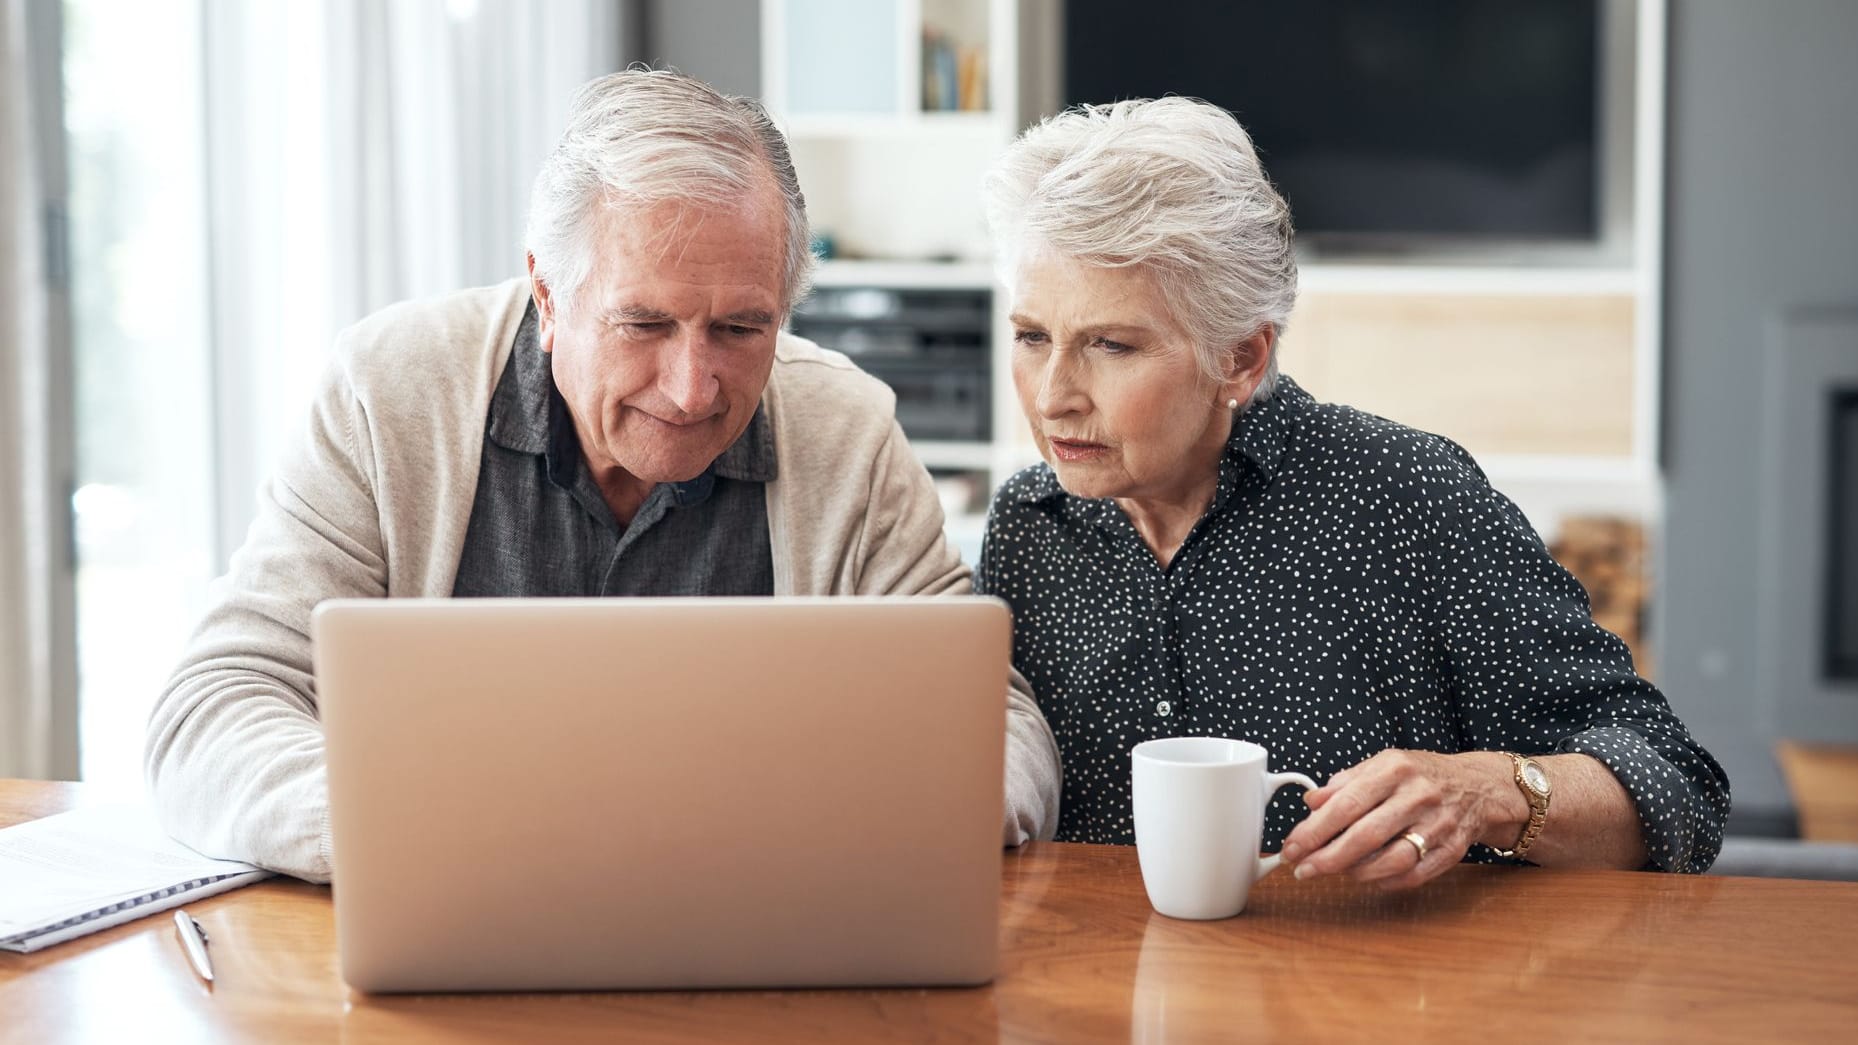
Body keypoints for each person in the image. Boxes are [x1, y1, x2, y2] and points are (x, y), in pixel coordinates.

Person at [144, 70, 1061, 882]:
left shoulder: (846, 432)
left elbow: (993, 724)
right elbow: (213, 709)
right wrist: (428, 834)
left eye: (742, 330)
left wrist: (884, 822)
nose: (693, 385)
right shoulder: (389, 394)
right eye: (646, 325)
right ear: (549, 297)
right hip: (454, 921)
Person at [975, 97, 1728, 887]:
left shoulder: (1410, 500)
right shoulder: (1030, 528)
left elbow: (1680, 789)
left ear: (1240, 357)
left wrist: (1489, 792)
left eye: (1111, 344)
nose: (1052, 395)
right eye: (1031, 337)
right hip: (1094, 988)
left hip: (1377, 994)